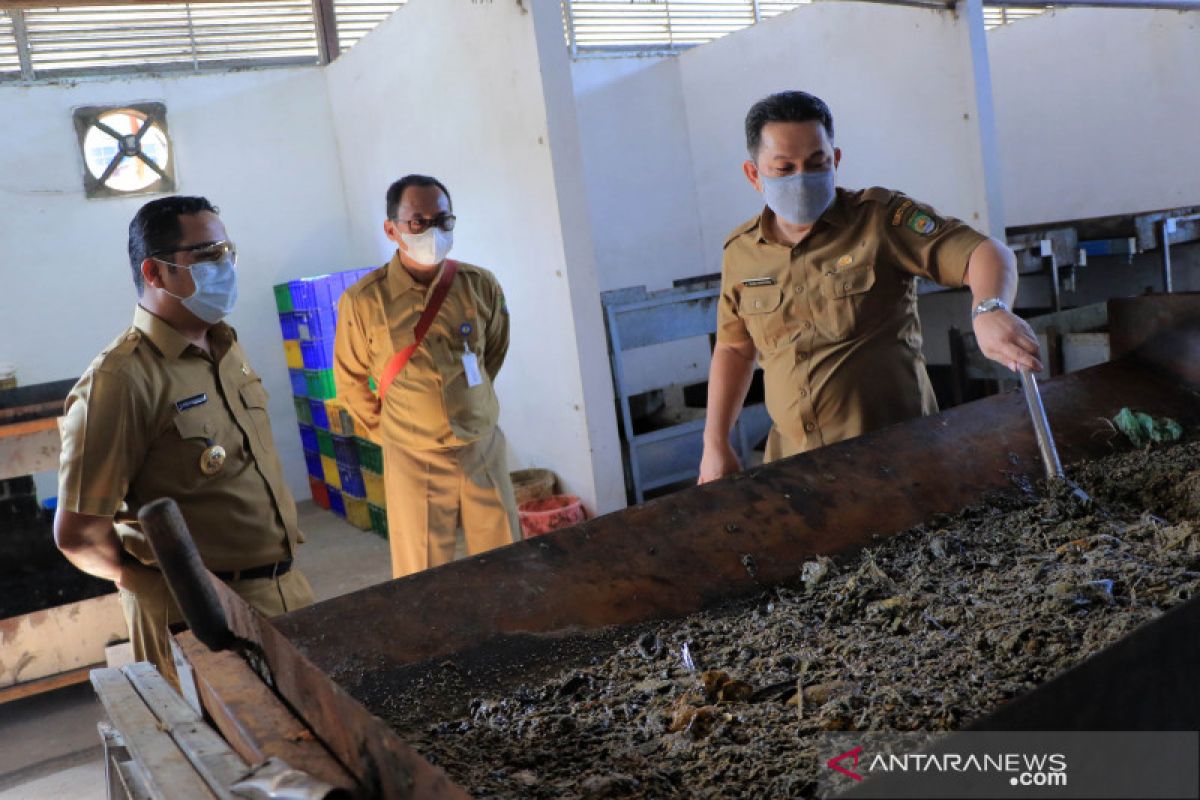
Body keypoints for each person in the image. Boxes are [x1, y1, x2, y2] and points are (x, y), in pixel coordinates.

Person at [699, 91, 1041, 481]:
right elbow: (734, 348)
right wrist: (715, 443)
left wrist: (989, 308)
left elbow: (983, 252)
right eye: (784, 168)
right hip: (794, 470)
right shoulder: (741, 252)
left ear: (836, 160)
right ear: (753, 174)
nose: (803, 178)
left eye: (816, 163)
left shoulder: (880, 221)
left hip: (898, 460)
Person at [54, 196, 314, 687]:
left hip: (284, 591)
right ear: (155, 272)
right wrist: (160, 590)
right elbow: (79, 533)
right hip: (204, 622)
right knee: (236, 755)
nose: (224, 267)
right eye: (206, 255)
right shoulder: (121, 380)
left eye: (225, 252)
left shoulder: (224, 345)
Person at [334, 174, 519, 579]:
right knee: (423, 573)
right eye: (418, 221)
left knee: (505, 558)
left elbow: (492, 354)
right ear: (391, 229)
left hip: (480, 446)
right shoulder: (364, 300)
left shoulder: (479, 285)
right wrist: (394, 431)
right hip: (413, 457)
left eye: (443, 220)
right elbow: (349, 381)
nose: (433, 230)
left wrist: (471, 406)